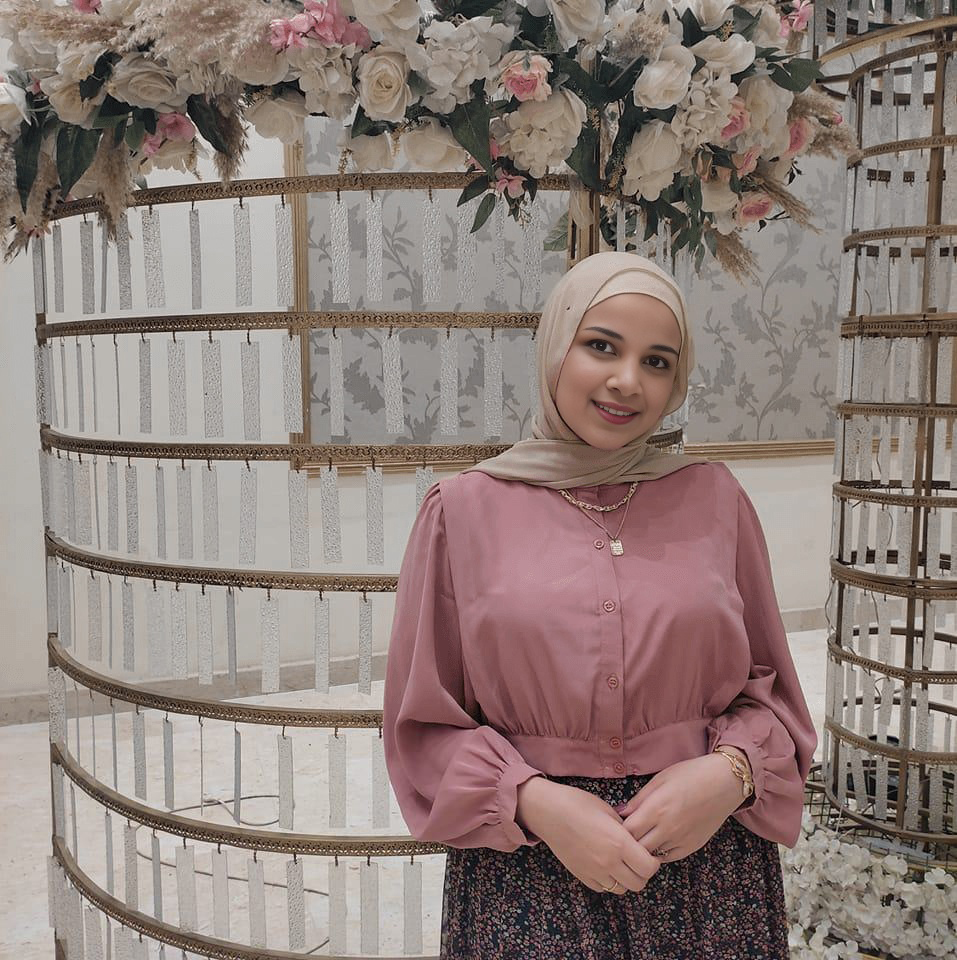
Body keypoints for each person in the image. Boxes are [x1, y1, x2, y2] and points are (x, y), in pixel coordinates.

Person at [382, 251, 818, 959]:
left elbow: (773, 695)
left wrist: (730, 774)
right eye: (602, 346)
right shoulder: (461, 512)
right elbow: (422, 724)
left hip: (708, 868)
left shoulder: (715, 499)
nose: (627, 381)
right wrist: (533, 799)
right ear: (556, 347)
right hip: (530, 872)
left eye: (657, 361)